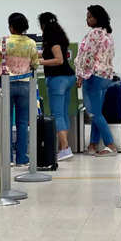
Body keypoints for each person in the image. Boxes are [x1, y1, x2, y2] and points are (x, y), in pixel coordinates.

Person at [0, 13, 39, 166]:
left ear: (11, 27)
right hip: (25, 84)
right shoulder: (31, 43)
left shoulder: (4, 41)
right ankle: (22, 159)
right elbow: (35, 63)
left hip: (6, 83)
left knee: (6, 121)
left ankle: (8, 158)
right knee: (23, 123)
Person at [75, 5, 118, 157]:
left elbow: (86, 57)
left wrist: (80, 74)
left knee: (93, 112)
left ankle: (110, 144)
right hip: (105, 76)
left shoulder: (93, 34)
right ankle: (92, 145)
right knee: (97, 112)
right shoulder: (108, 35)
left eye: (90, 17)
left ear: (97, 18)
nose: (87, 19)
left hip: (93, 76)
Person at [38, 12, 75, 161]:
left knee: (57, 115)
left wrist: (38, 62)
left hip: (58, 79)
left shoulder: (51, 37)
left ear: (43, 24)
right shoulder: (59, 35)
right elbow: (52, 55)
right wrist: (37, 56)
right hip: (68, 78)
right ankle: (64, 148)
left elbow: (58, 60)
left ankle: (65, 148)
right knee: (63, 113)